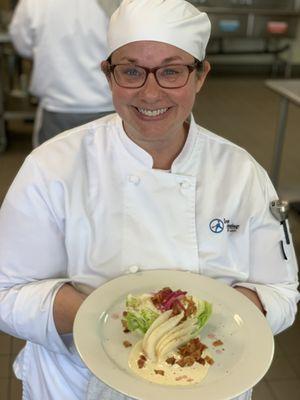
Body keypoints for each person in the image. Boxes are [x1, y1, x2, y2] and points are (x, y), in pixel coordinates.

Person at [0, 0, 299, 399]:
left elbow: (281, 293)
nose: (151, 91)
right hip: (76, 385)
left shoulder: (242, 173)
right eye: (131, 71)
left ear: (200, 76)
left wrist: (221, 314)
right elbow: (7, 292)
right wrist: (106, 316)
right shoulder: (53, 166)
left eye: (172, 71)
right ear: (109, 75)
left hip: (208, 381)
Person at [9, 0, 116, 145]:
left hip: (57, 104)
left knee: (52, 163)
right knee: (109, 162)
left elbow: (22, 44)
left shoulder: (33, 3)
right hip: (108, 102)